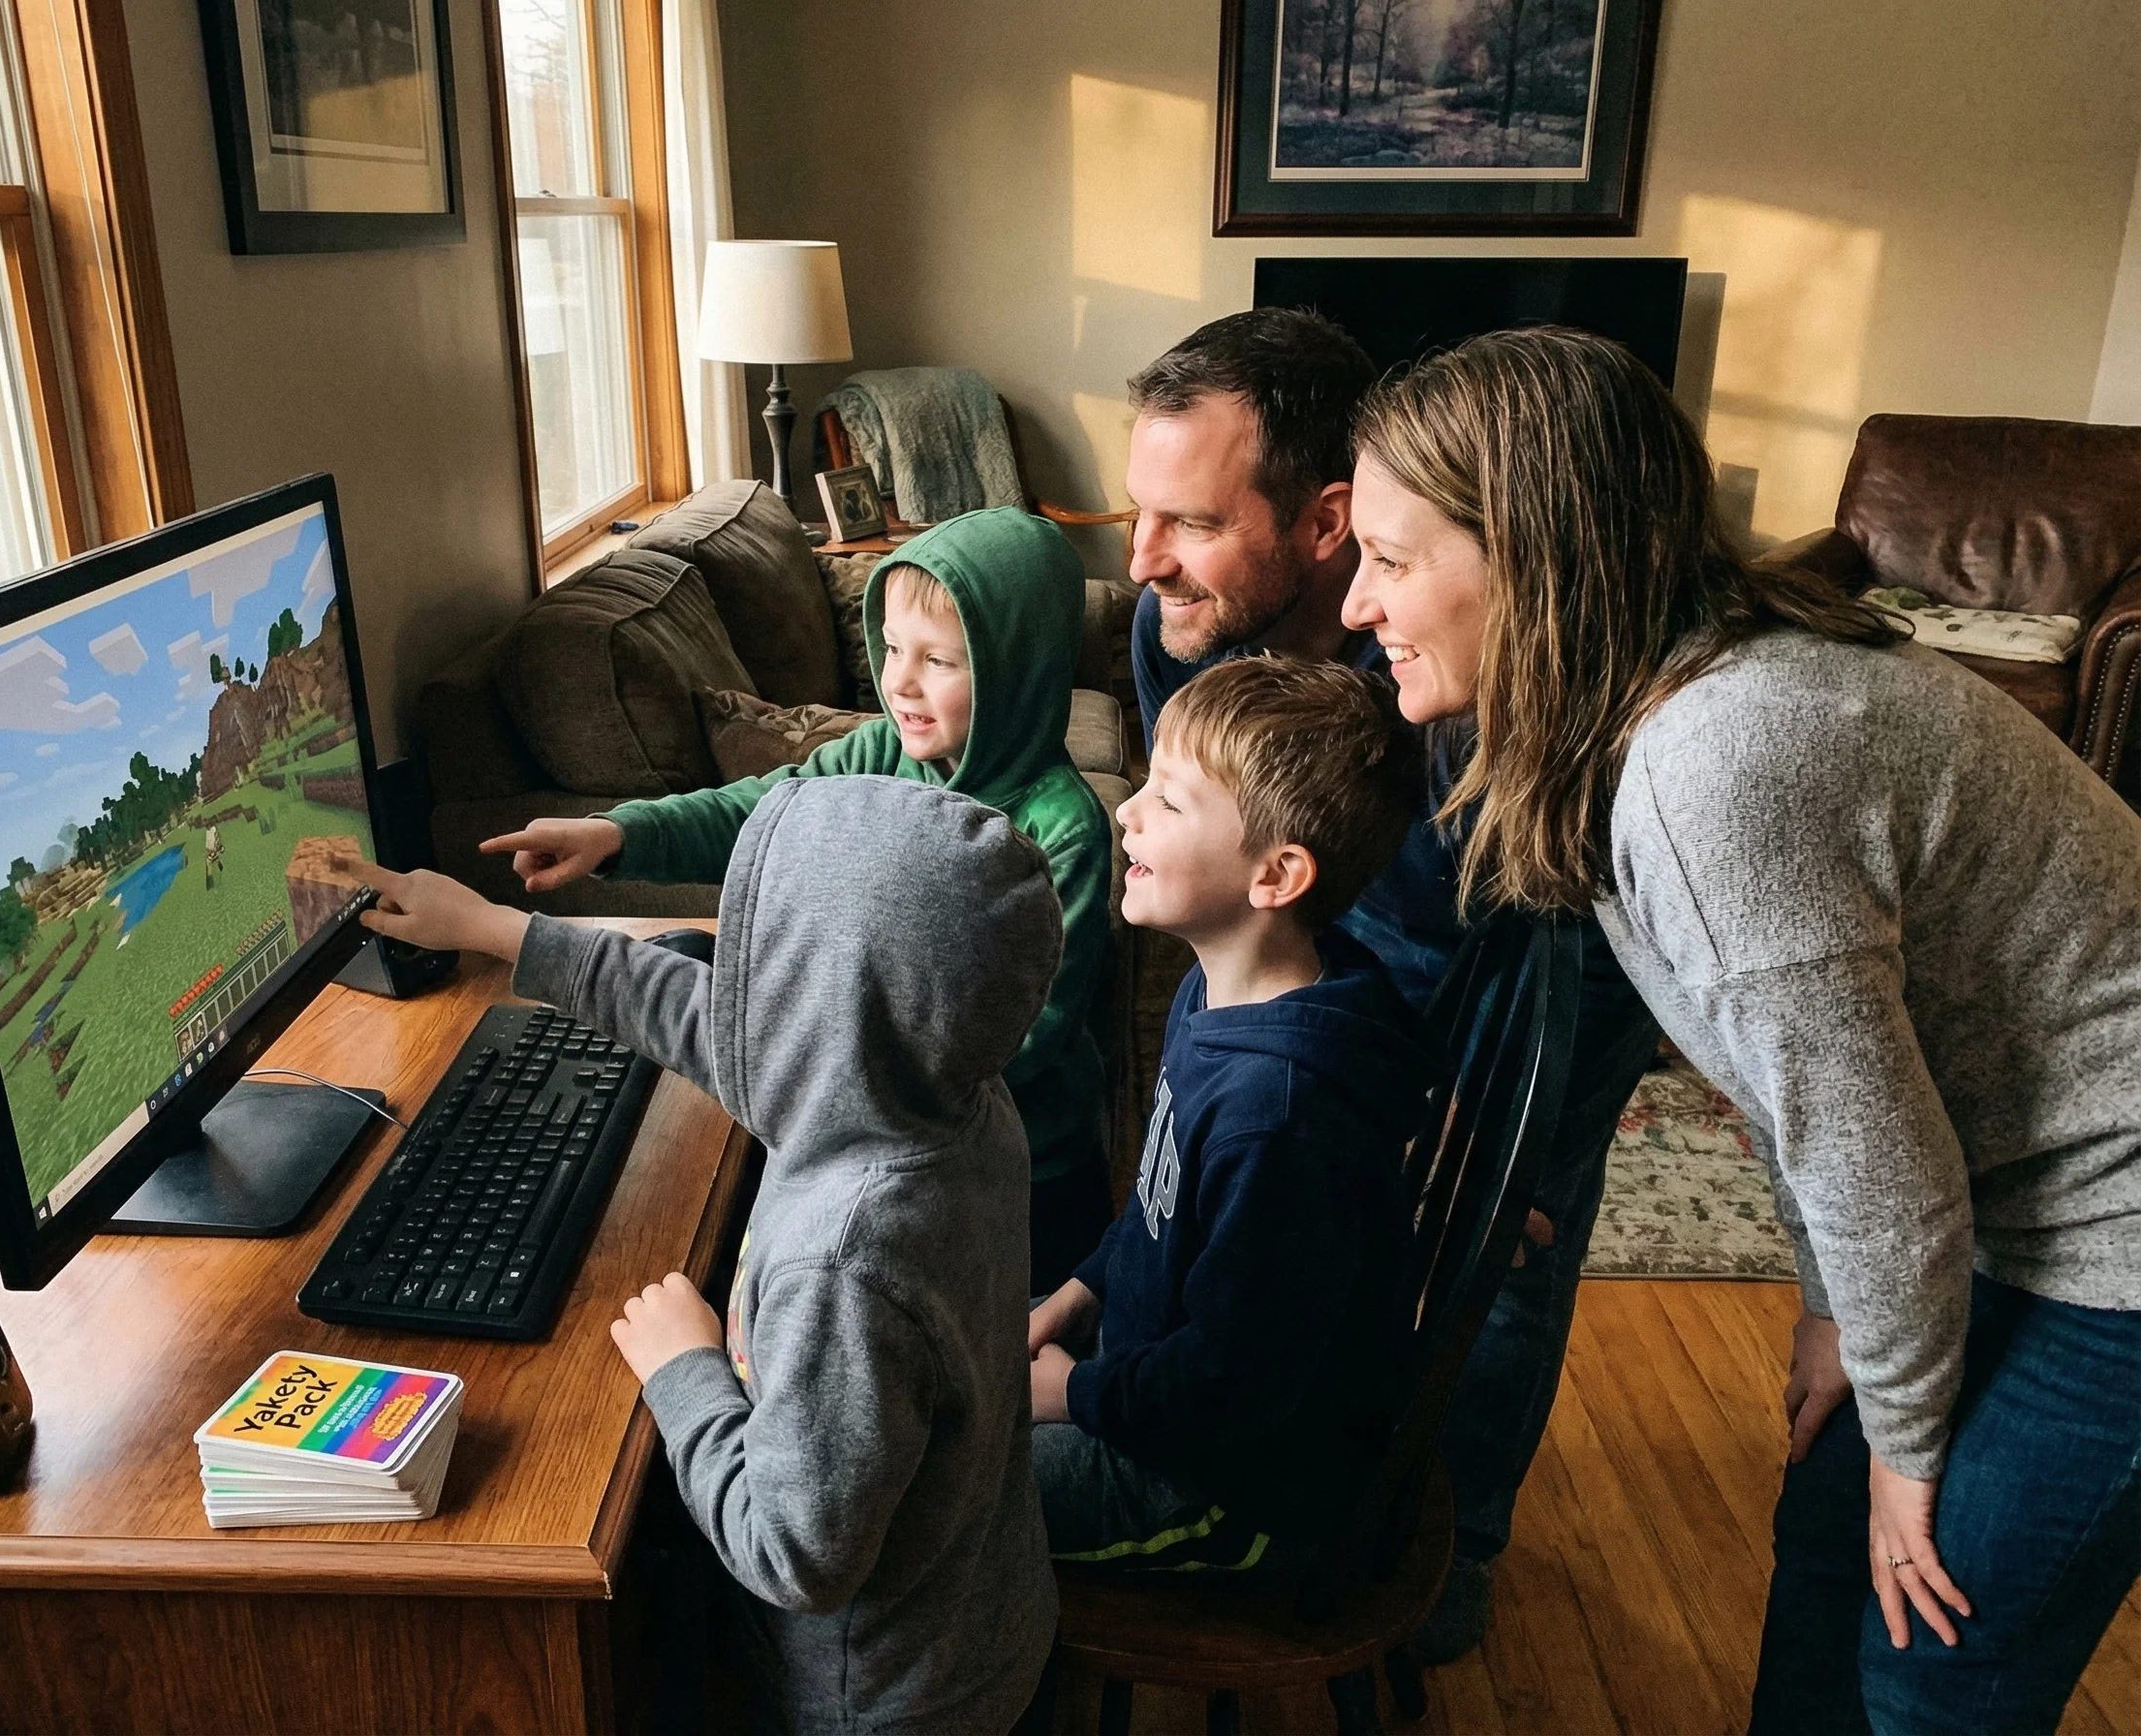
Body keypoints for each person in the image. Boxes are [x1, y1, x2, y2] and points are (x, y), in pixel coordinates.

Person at [1342, 325, 2141, 1734]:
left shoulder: (1717, 765)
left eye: (1391, 560)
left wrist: (1909, 1442)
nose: (1358, 605)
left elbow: (1875, 1166)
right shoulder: (1638, 718)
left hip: (2115, 1226)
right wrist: (1838, 1318)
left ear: (1534, 562)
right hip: (1995, 1191)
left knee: (1933, 1653)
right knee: (1830, 1540)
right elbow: (1797, 1088)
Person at [1121, 306, 1660, 1652]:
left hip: (1526, 955)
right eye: (1141, 513)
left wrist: (1501, 1132)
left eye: (1191, 521)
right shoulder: (1179, 626)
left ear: (1326, 522)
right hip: (1331, 955)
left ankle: (1457, 1532)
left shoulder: (1476, 668)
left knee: (1501, 1252)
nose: (1144, 561)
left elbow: (1580, 942)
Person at [339, 775, 1063, 1733]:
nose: (739, 979)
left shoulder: (848, 1265)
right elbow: (720, 1025)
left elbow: (794, 1555)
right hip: (978, 1608)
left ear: (817, 1002)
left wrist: (685, 1371)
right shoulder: (945, 1092)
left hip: (872, 1698)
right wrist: (497, 930)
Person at [479, 507, 1114, 1292]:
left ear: (1019, 672)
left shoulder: (1063, 827)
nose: (900, 682)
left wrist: (839, 1078)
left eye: (939, 661)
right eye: (891, 648)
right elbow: (763, 813)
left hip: (1023, 1170)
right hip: (881, 1138)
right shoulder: (883, 750)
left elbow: (1036, 1029)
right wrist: (617, 834)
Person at [1027, 654, 1437, 1574]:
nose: (1126, 812)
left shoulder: (1281, 1120)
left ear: (1276, 875)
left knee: (921, 1490)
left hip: (1217, 1483)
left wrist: (1072, 1396)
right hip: (1142, 1374)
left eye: (1169, 802)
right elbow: (1158, 1206)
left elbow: (1236, 1383)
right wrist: (1076, 1295)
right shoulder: (1216, 993)